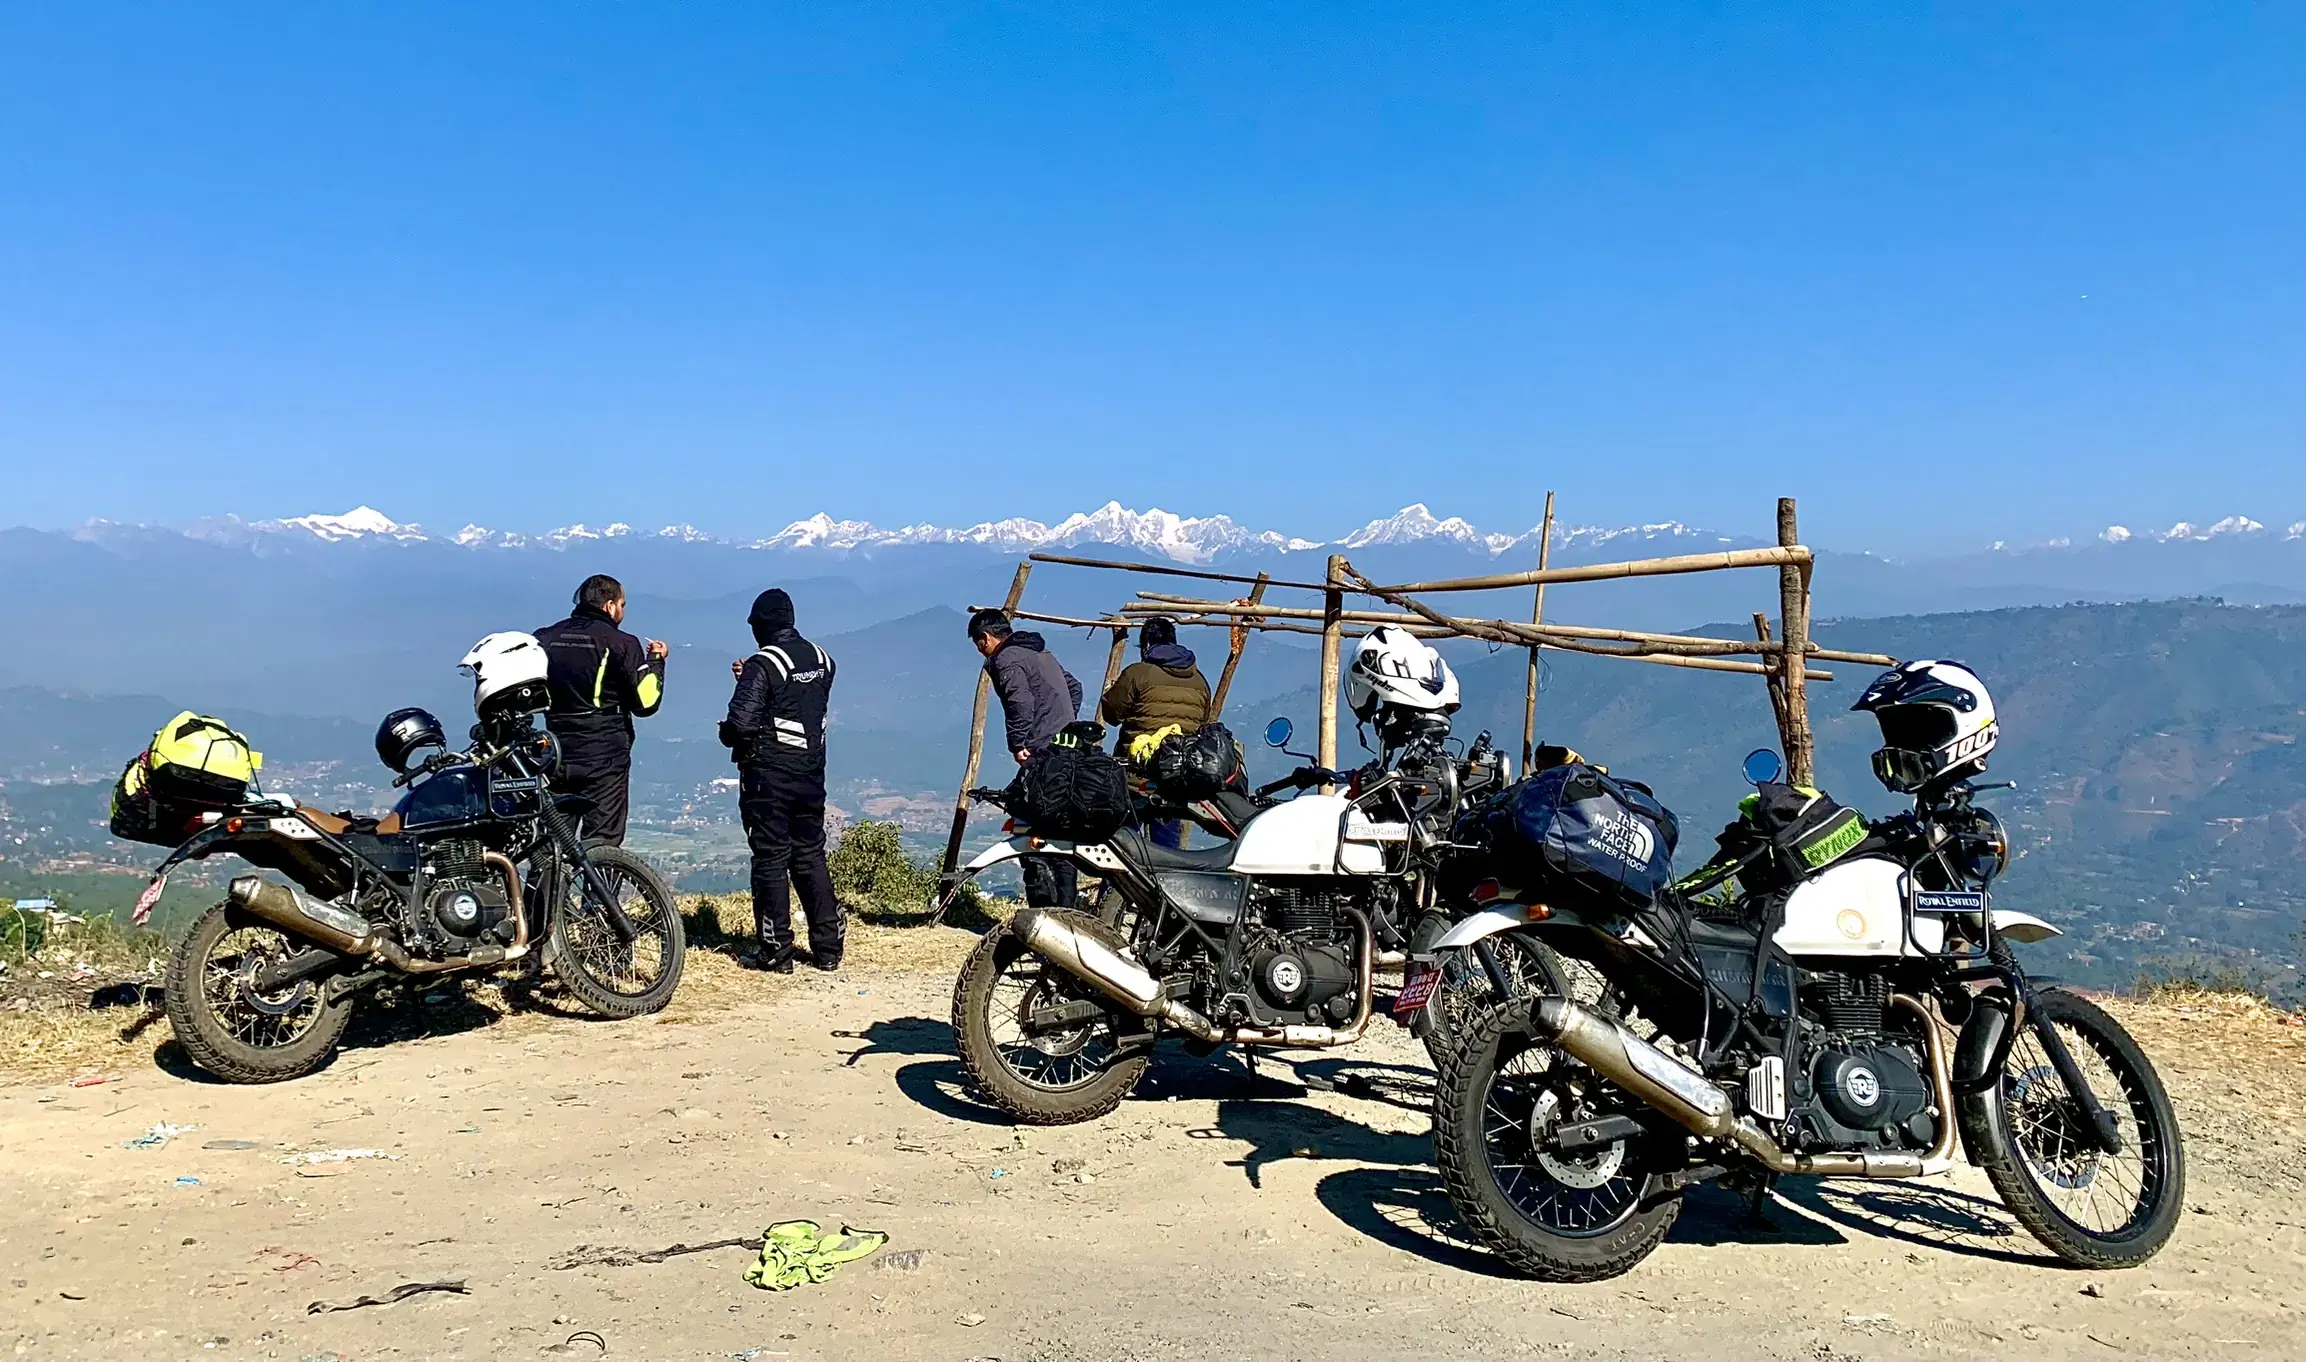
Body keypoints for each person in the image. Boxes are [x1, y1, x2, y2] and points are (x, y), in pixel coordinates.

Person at [720, 589, 841, 973]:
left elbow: (741, 724)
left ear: (760, 625)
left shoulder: (763, 663)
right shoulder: (823, 659)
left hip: (768, 776)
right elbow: (796, 695)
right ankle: (828, 947)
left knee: (770, 859)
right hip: (811, 773)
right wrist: (752, 679)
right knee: (809, 853)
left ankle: (776, 950)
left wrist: (727, 729)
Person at [535, 574, 666, 845]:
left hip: (555, 753)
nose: (623, 611)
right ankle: (599, 888)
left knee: (551, 844)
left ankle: (544, 888)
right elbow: (645, 702)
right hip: (604, 756)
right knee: (602, 840)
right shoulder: (621, 643)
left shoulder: (544, 638)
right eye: (623, 604)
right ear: (609, 606)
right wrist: (655, 662)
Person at [968, 607, 1082, 908]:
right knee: (1060, 829)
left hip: (1042, 754)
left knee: (1030, 824)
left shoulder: (1005, 659)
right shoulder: (1042, 654)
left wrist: (1018, 743)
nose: (982, 653)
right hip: (1065, 750)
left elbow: (1020, 701)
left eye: (980, 645)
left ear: (986, 638)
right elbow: (1074, 688)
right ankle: (1067, 906)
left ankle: (1044, 908)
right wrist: (1065, 725)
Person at [1099, 616, 1212, 848]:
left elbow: (1112, 716)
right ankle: (1167, 881)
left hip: (1135, 774)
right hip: (1176, 778)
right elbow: (1203, 724)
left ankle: (1117, 885)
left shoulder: (1138, 673)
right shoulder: (1200, 681)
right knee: (1167, 844)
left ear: (1147, 644)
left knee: (1124, 843)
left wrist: (1111, 692)